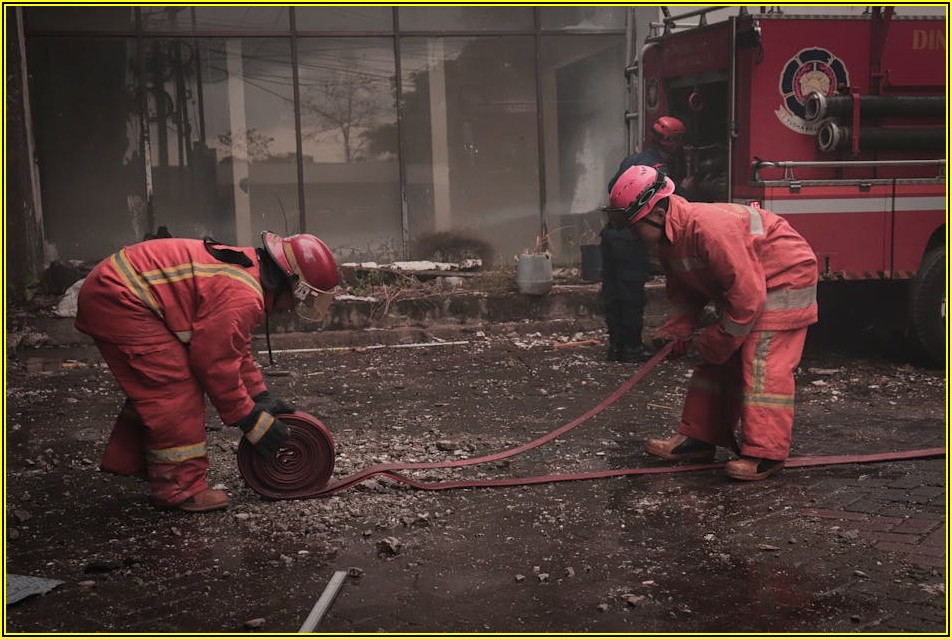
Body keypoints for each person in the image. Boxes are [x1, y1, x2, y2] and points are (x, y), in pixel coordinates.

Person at [75, 232, 339, 511]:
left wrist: (260, 396)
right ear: (289, 284)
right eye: (300, 301)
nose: (293, 310)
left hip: (121, 289)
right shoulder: (243, 294)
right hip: (120, 296)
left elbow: (233, 348)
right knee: (174, 390)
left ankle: (145, 463)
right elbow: (214, 363)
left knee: (156, 386)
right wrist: (249, 418)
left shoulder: (247, 276)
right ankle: (180, 490)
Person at [606, 164, 818, 481]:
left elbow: (748, 299)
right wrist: (680, 327)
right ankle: (699, 439)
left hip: (784, 279)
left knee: (761, 363)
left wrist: (715, 341)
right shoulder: (669, 240)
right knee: (715, 360)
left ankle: (766, 453)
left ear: (657, 212)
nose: (632, 236)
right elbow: (685, 289)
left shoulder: (709, 230)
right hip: (754, 285)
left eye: (634, 226)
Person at [600, 116, 689, 363]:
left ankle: (616, 347)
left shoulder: (634, 160)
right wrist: (687, 188)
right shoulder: (659, 168)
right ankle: (631, 349)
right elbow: (669, 199)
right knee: (631, 295)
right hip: (630, 237)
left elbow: (612, 186)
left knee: (613, 293)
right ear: (675, 142)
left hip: (611, 232)